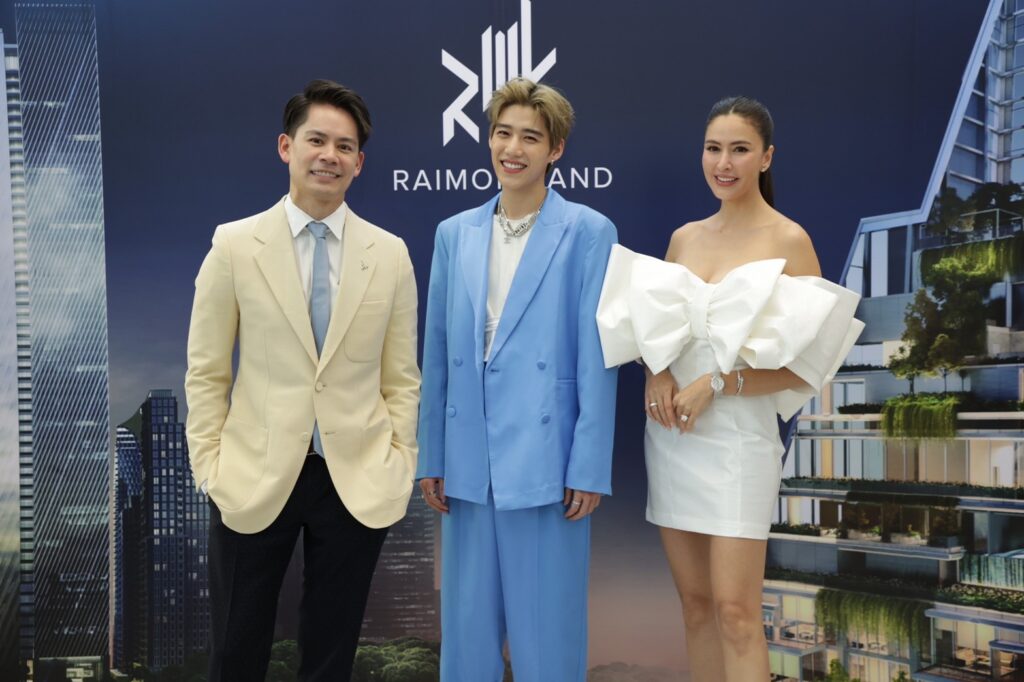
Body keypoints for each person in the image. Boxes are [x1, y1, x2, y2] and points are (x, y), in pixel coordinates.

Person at [596, 96, 863, 681]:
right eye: (713, 148)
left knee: (738, 615)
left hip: (741, 444)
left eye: (739, 149)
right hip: (673, 437)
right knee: (695, 608)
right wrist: (656, 371)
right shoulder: (684, 238)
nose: (724, 163)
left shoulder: (790, 240)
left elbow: (808, 368)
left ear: (766, 157)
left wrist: (718, 382)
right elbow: (657, 333)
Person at [184, 79, 420, 681]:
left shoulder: (389, 254)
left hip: (355, 477)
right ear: (286, 146)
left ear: (359, 163)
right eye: (317, 140)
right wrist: (208, 466)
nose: (329, 156)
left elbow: (402, 378)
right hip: (252, 471)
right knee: (235, 652)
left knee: (330, 658)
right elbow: (207, 370)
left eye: (345, 146)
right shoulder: (235, 245)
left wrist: (398, 459)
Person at [416, 77, 618, 682]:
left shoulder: (589, 231)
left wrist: (588, 466)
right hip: (467, 460)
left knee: (548, 640)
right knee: (466, 640)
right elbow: (437, 352)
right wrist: (432, 454)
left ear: (556, 149)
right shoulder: (454, 233)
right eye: (503, 133)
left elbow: (598, 355)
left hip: (547, 460)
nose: (513, 148)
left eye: (531, 137)